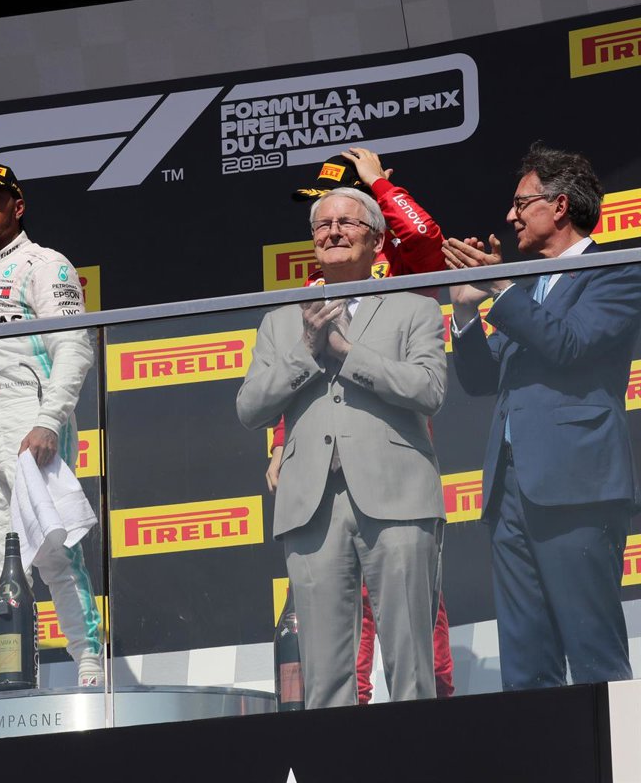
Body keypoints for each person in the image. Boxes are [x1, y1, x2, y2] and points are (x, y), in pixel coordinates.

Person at [236, 187, 447, 709]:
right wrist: (308, 352)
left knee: (412, 668)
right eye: (322, 225)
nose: (332, 232)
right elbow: (250, 407)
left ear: (377, 240)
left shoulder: (414, 306)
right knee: (325, 679)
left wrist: (348, 353)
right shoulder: (280, 319)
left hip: (398, 500)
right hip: (311, 506)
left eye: (347, 223)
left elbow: (429, 391)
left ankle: (423, 752)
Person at [446, 142, 641, 690]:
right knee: (526, 664)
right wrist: (464, 311)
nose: (510, 217)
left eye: (520, 203)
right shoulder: (527, 288)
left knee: (593, 652)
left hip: (578, 486)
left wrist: (502, 287)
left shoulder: (616, 270)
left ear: (558, 206)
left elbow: (569, 344)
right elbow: (482, 380)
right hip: (510, 491)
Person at [0, 162, 104, 686]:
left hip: (30, 418)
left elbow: (75, 347)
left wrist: (48, 421)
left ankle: (90, 663)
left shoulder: (46, 265)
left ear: (17, 206)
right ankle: (18, 672)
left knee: (56, 552)